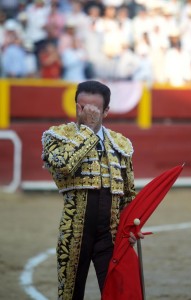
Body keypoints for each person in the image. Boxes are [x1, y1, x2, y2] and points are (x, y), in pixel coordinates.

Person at [41, 80, 143, 300]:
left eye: (94, 109)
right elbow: (63, 165)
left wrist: (132, 227)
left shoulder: (120, 143)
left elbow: (128, 194)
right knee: (70, 295)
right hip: (74, 233)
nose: (86, 112)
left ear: (106, 111)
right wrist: (87, 130)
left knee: (118, 293)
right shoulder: (57, 136)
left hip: (111, 236)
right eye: (81, 107)